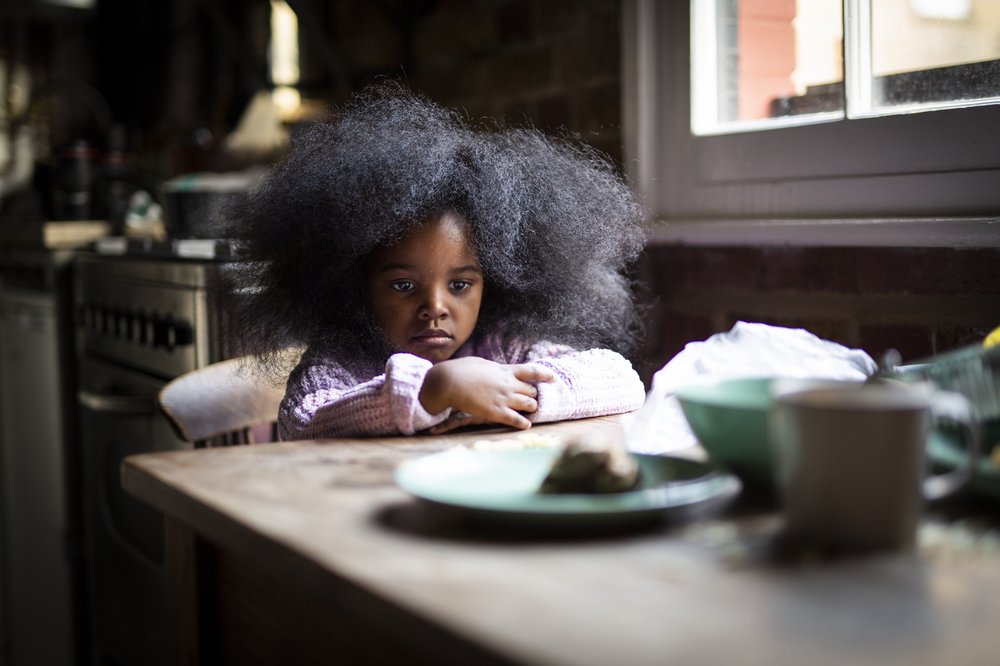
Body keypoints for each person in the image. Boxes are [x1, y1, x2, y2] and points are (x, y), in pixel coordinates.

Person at [224, 82, 648, 440]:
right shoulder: (340, 360)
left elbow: (621, 381)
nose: (435, 307)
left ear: (493, 281)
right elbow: (307, 421)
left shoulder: (503, 345)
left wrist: (521, 394)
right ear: (354, 283)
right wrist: (433, 389)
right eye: (404, 286)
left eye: (460, 285)